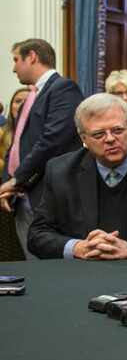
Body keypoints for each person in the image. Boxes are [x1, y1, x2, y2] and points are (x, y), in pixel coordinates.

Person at [27, 94, 127, 260]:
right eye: (99, 134)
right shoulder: (61, 171)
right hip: (83, 274)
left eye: (117, 130)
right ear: (83, 139)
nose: (110, 139)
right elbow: (37, 234)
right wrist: (77, 247)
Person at [0, 39, 83, 259]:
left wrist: (16, 179)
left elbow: (52, 140)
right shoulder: (33, 95)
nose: (13, 67)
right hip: (23, 195)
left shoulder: (63, 88)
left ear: (33, 57)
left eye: (17, 59)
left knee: (49, 270)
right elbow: (17, 143)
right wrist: (7, 183)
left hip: (48, 193)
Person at [0, 87, 31, 178]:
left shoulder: (43, 135)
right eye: (18, 101)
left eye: (27, 101)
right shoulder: (2, 133)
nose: (22, 105)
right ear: (11, 107)